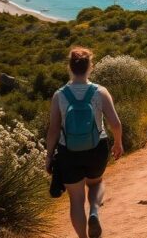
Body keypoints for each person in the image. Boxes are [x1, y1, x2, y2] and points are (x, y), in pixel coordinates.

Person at [45, 47, 124, 238]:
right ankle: (95, 211)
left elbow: (54, 130)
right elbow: (115, 123)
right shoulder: (100, 92)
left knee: (76, 200)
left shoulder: (60, 95)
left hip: (68, 152)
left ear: (70, 68)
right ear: (90, 67)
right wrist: (118, 143)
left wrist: (49, 157)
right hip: (96, 149)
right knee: (96, 183)